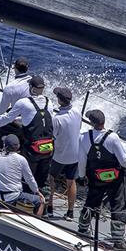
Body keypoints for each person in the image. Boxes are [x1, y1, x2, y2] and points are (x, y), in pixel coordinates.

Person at [0, 75, 54, 191]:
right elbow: (38, 119)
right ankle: (39, 203)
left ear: (30, 87)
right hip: (48, 149)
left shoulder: (23, 102)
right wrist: (18, 120)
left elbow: (6, 119)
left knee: (27, 178)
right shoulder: (50, 103)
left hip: (33, 150)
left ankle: (22, 202)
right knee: (40, 181)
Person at [76, 109, 126, 250]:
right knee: (118, 206)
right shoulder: (112, 137)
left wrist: (82, 177)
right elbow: (124, 162)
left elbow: (82, 161)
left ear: (92, 122)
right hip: (114, 179)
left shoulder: (83, 138)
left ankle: (82, 231)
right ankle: (118, 240)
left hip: (95, 178)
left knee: (90, 202)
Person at [0, 134, 45, 216]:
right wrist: (37, 192)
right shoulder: (21, 159)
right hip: (12, 199)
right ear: (18, 147)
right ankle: (37, 220)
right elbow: (29, 179)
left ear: (5, 145)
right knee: (41, 201)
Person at [47, 87, 81, 220]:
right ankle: (70, 212)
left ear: (60, 101)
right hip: (75, 154)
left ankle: (49, 207)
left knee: (51, 178)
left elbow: (52, 136)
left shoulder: (57, 118)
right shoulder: (77, 111)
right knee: (71, 181)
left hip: (60, 156)